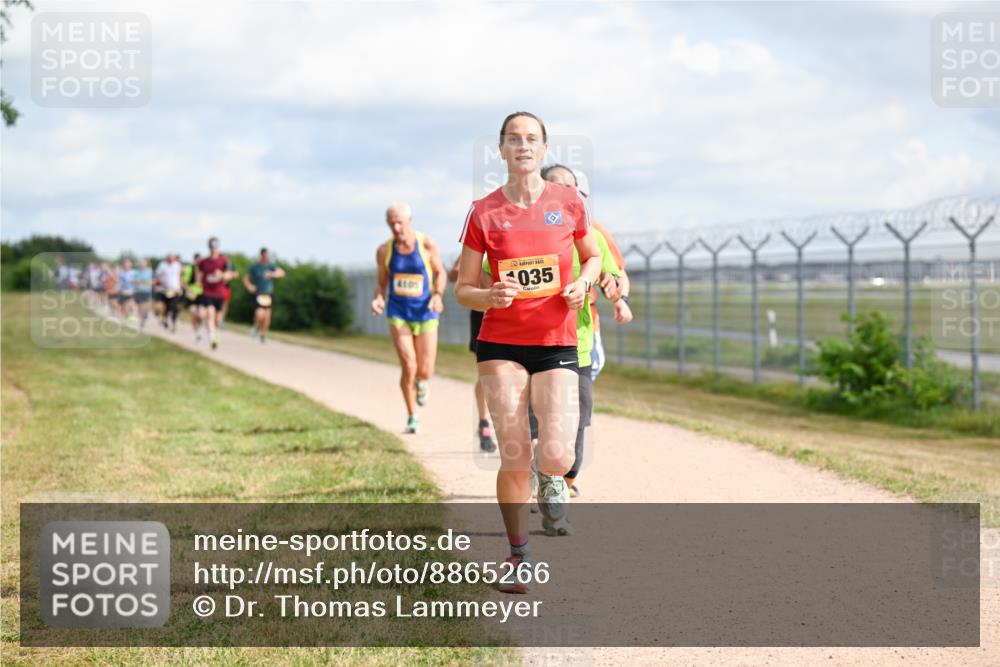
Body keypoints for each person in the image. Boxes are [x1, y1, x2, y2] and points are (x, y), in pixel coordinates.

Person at [455, 111, 601, 593]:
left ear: (544, 148)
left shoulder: (568, 202)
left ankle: (552, 477)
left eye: (532, 138)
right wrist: (489, 296)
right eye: (514, 139)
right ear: (501, 150)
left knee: (556, 453)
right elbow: (464, 289)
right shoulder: (484, 212)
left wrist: (582, 281)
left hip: (556, 340)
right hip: (501, 343)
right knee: (515, 452)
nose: (523, 145)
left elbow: (593, 255)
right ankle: (518, 555)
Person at [371, 204, 446, 435]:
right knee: (409, 365)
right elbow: (381, 283)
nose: (396, 226)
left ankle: (422, 382)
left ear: (410, 220)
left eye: (400, 222)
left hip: (425, 311)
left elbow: (440, 273)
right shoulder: (384, 250)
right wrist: (379, 299)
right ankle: (412, 416)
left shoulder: (426, 244)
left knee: (425, 370)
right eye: (391, 222)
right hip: (399, 312)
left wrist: (437, 295)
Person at [448, 255, 497, 452]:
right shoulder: (476, 245)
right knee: (485, 374)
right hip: (481, 312)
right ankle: (484, 424)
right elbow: (453, 277)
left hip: (512, 312)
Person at [197, 238, 236, 350]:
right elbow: (199, 275)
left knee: (217, 320)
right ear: (209, 247)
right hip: (208, 293)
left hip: (220, 293)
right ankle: (212, 337)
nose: (213, 249)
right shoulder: (203, 262)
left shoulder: (224, 260)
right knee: (210, 313)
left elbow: (232, 274)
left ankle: (214, 334)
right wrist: (199, 284)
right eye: (211, 247)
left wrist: (223, 275)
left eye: (215, 247)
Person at [243, 247, 286, 344]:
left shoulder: (271, 266)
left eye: (268, 255)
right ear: (261, 255)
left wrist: (272, 274)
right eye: (265, 255)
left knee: (267, 316)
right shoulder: (255, 267)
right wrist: (249, 286)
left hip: (269, 293)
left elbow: (282, 273)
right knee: (259, 313)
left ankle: (264, 335)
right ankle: (256, 326)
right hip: (259, 292)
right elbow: (246, 278)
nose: (267, 257)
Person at [154, 253, 183, 332]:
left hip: (175, 290)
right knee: (164, 306)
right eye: (169, 258)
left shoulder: (178, 265)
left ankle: (173, 324)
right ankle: (164, 318)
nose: (171, 260)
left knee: (174, 307)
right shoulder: (162, 265)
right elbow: (157, 276)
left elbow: (180, 276)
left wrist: (181, 287)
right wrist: (157, 284)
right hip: (164, 290)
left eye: (172, 258)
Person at [183, 253, 204, 341]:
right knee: (193, 313)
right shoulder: (189, 269)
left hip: (202, 294)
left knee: (201, 314)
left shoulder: (205, 269)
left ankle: (200, 324)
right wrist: (190, 291)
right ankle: (197, 333)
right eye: (197, 260)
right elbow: (183, 283)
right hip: (192, 294)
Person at [133, 258, 154, 329]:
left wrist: (150, 282)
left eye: (143, 263)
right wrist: (136, 281)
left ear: (146, 264)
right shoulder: (136, 272)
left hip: (146, 291)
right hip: (138, 291)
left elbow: (153, 280)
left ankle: (144, 317)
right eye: (141, 263)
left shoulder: (150, 271)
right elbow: (133, 280)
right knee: (139, 307)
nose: (142, 264)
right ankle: (142, 320)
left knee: (145, 306)